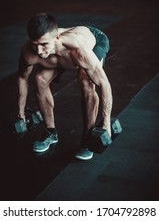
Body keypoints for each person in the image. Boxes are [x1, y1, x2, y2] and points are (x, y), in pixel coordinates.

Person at [17, 13, 113, 160]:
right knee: (39, 79)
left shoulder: (78, 49)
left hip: (94, 40)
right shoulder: (29, 53)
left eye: (44, 45)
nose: (39, 51)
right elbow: (23, 78)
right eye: (35, 44)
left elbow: (104, 84)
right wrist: (20, 115)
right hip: (60, 56)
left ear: (56, 38)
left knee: (86, 80)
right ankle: (50, 131)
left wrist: (106, 123)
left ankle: (87, 138)